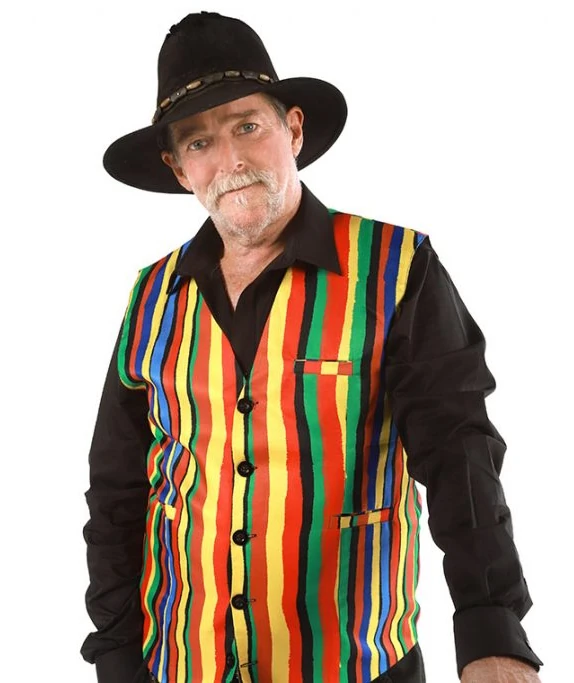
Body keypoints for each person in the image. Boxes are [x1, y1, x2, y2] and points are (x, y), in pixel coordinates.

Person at [81, 11, 543, 683]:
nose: (231, 161)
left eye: (247, 126)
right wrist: (117, 652)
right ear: (179, 169)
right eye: (200, 142)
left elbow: (459, 455)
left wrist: (491, 632)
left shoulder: (395, 268)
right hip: (180, 664)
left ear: (293, 129)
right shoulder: (152, 295)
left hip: (359, 664)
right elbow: (117, 489)